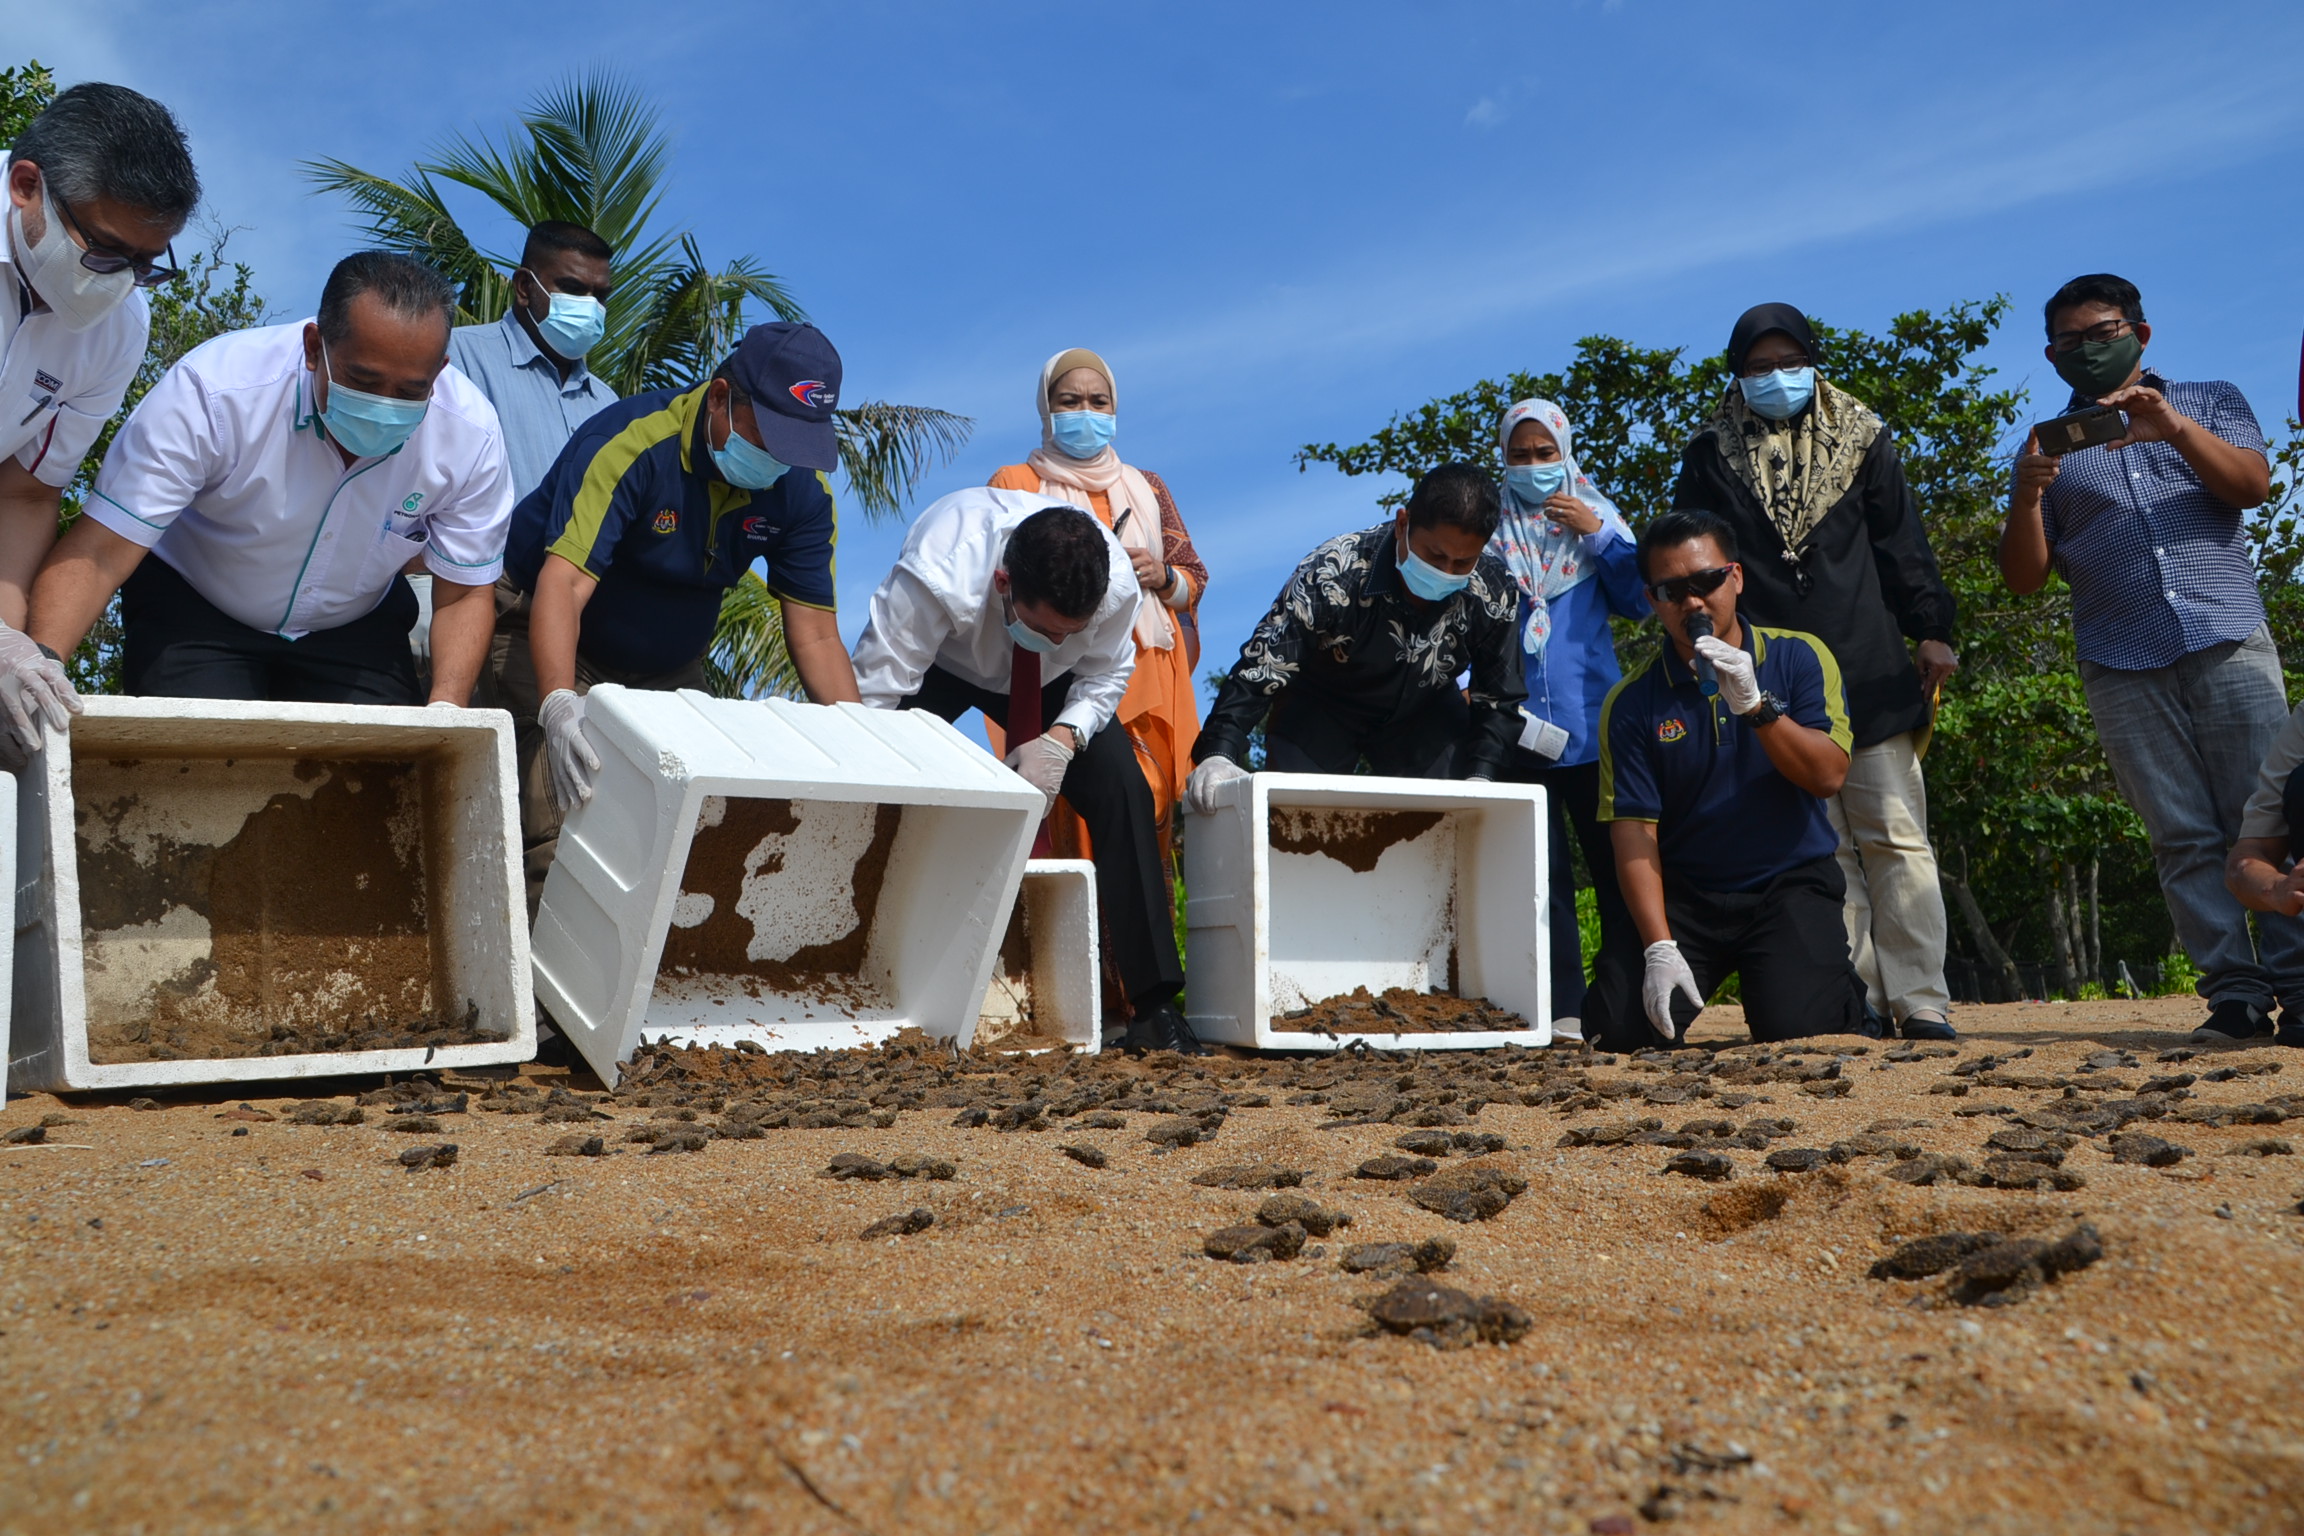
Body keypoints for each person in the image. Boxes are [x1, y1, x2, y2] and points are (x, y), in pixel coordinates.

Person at [2000, 273, 2297, 1044]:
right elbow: (2025, 577)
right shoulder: (2045, 445)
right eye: (2071, 342)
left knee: (2271, 823)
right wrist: (2027, 497)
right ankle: (2232, 996)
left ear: (2140, 332)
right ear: (2051, 354)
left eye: (2103, 333)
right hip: (2120, 659)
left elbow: (2253, 485)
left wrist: (2173, 427)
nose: (2088, 349)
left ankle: (2300, 987)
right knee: (2181, 834)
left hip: (2227, 636)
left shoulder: (2211, 398)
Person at [28, 251, 509, 708]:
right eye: (363, 382)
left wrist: (447, 706)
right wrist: (41, 666)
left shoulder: (471, 436)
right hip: (197, 609)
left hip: (357, 625)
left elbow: (464, 591)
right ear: (315, 347)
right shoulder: (215, 392)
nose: (385, 404)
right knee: (195, 773)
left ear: (439, 372)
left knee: (381, 780)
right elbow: (101, 552)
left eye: (411, 391)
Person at [485, 320, 858, 899]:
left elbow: (814, 635)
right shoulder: (633, 441)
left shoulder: (804, 492)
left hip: (667, 668)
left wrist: (861, 750)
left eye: (796, 447)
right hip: (551, 631)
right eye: (768, 438)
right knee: (563, 817)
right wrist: (558, 706)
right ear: (719, 399)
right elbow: (565, 584)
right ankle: (528, 986)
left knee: (683, 832)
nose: (779, 462)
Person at [1671, 303, 1959, 1042]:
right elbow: (1694, 565)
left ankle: (1921, 998)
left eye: (1790, 362)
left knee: (1896, 836)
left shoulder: (1863, 437)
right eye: (1760, 367)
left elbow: (1901, 541)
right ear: (1737, 372)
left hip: (1868, 664)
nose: (1777, 378)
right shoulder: (1709, 452)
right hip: (1778, 680)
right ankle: (1853, 995)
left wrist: (1931, 628)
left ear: (1813, 360)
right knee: (1820, 847)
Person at [851, 490, 1195, 1055]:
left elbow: (1106, 675)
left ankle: (1154, 1008)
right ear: (1003, 581)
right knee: (879, 786)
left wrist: (1062, 739)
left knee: (1124, 789)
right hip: (945, 661)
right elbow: (873, 699)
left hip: (1056, 683)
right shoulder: (941, 569)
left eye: (1071, 631)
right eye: (1046, 628)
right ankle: (866, 965)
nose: (1059, 639)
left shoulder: (1114, 588)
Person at [1592, 509, 1867, 1049]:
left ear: (1735, 578)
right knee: (1615, 1032)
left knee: (1801, 1035)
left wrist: (1757, 706)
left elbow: (1828, 775)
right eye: (1672, 590)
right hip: (1688, 894)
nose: (1693, 602)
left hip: (1788, 883)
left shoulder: (1800, 656)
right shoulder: (1630, 703)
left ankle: (1842, 994)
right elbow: (1633, 831)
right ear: (1653, 601)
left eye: (1707, 581)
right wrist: (1658, 948)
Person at [0, 83, 199, 763]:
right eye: (107, 253)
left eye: (146, 265)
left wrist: (11, 641)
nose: (121, 283)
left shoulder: (119, 327)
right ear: (27, 186)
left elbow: (24, 490)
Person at [987, 348, 1207, 863]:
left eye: (1097, 400)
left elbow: (1194, 577)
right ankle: (1068, 940)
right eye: (1069, 400)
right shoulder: (1015, 483)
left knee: (1144, 805)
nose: (1085, 410)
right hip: (1058, 665)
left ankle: (1136, 936)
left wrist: (1161, 575)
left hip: (1146, 671)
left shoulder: (1147, 487)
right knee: (1064, 805)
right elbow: (998, 582)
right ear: (1046, 409)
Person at [1189, 463, 1524, 799]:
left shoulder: (1494, 590)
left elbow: (1499, 696)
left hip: (1425, 713)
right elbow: (1263, 666)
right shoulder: (1333, 571)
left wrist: (1483, 775)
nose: (1446, 572)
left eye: (1462, 563)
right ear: (1402, 523)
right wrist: (1219, 751)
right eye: (1435, 556)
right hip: (1321, 709)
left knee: (1451, 823)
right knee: (1300, 826)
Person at [1488, 398, 1647, 1043]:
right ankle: (1562, 1010)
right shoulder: (1487, 531)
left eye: (1544, 453)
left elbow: (1640, 600)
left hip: (1594, 731)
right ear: (1503, 460)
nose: (1533, 467)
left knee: (1617, 871)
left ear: (1565, 451)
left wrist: (1595, 533)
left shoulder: (1601, 517)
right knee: (1541, 877)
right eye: (1519, 456)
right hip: (1514, 735)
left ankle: (1629, 1004)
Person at [431, 222, 618, 683]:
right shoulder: (459, 358)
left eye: (600, 296)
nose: (589, 307)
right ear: (523, 287)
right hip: (489, 599)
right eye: (572, 288)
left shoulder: (608, 403)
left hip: (587, 615)